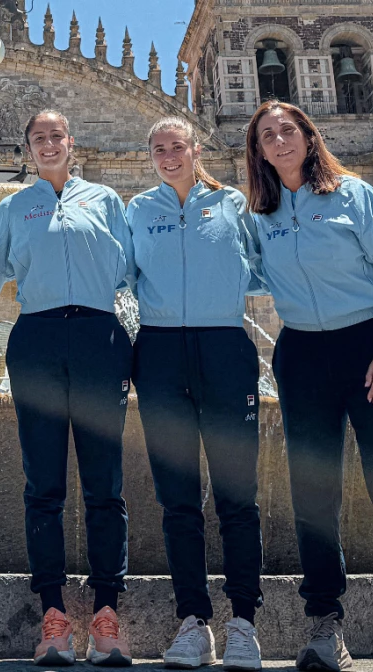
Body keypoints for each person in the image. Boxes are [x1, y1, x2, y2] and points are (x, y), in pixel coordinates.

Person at [245, 100, 373, 672]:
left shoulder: (353, 194)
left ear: (309, 137)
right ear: (257, 150)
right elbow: (244, 272)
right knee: (313, 495)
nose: (279, 140)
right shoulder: (262, 215)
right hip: (302, 352)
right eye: (267, 135)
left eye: (288, 130)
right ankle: (325, 627)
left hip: (371, 349)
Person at [0, 109, 135, 667]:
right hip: (38, 337)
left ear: (72, 144)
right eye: (38, 139)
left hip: (99, 335)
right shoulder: (14, 206)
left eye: (57, 137)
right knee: (42, 483)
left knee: (106, 483)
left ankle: (105, 612)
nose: (48, 144)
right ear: (26, 149)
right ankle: (52, 614)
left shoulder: (104, 200)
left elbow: (128, 269)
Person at [125, 116, 265, 671]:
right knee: (177, 498)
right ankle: (193, 622)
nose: (168, 156)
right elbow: (123, 273)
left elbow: (260, 269)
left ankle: (244, 624)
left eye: (177, 146)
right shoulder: (139, 210)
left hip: (225, 346)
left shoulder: (233, 204)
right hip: (159, 350)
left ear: (196, 149)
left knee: (238, 495)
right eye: (158, 149)